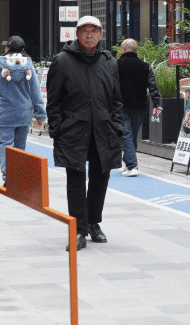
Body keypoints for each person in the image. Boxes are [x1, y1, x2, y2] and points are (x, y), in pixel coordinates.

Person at [47, 16, 124, 251]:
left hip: (103, 130)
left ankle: (93, 223)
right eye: (84, 31)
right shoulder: (62, 61)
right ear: (77, 34)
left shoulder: (109, 62)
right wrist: (58, 129)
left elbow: (117, 100)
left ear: (101, 35)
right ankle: (78, 229)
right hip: (73, 130)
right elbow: (54, 101)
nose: (89, 35)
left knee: (102, 177)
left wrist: (117, 126)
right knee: (76, 180)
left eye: (94, 31)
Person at [0, 35, 46, 180]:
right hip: (23, 113)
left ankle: (8, 177)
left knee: (5, 146)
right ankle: (17, 177)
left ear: (8, 48)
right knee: (19, 147)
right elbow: (35, 92)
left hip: (4, 114)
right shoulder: (28, 66)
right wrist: (40, 114)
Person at [116, 39, 162, 177]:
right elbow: (152, 86)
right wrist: (157, 103)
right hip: (140, 106)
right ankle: (128, 161)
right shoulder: (145, 66)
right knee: (132, 136)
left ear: (123, 48)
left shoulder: (115, 65)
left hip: (122, 106)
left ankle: (131, 166)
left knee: (126, 135)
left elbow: (109, 86)